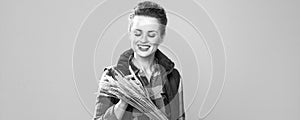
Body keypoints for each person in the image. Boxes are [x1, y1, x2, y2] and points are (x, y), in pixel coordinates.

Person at [93, 1, 185, 120]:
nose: (143, 40)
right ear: (130, 34)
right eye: (137, 33)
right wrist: (123, 102)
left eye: (151, 34)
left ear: (161, 36)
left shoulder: (173, 77)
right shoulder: (112, 77)